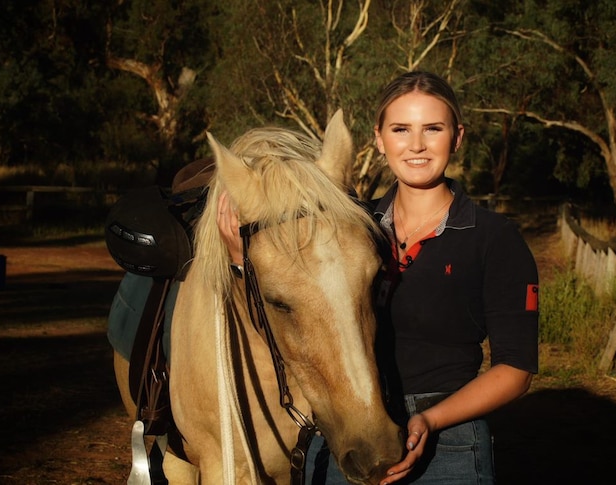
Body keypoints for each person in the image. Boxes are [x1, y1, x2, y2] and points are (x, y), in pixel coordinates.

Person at [218, 71, 539, 485]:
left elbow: (516, 371)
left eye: (433, 129)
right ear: (378, 138)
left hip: (449, 441)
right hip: (343, 430)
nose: (417, 145)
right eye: (401, 129)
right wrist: (243, 262)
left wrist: (431, 419)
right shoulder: (343, 230)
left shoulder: (494, 239)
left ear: (457, 137)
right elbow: (290, 312)